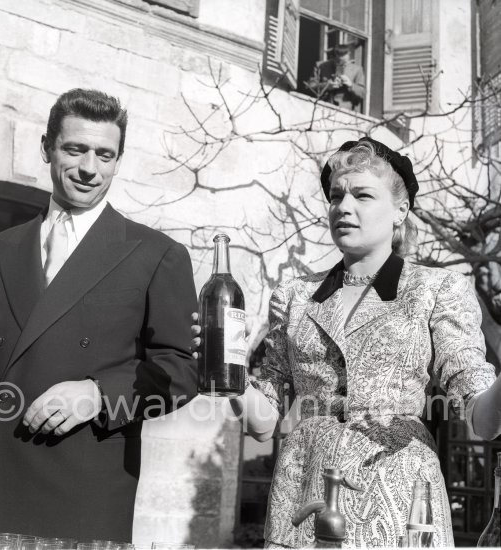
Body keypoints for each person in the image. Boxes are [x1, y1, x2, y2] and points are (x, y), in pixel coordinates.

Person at [192, 136, 501, 547]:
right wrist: (228, 371)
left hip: (398, 497)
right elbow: (263, 424)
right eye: (336, 196)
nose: (344, 207)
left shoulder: (438, 288)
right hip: (303, 495)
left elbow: (483, 420)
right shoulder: (295, 295)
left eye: (362, 195)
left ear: (400, 210)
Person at [0, 89, 198, 539]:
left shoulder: (157, 255)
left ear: (119, 160)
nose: (90, 168)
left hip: (87, 486)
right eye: (75, 149)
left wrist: (99, 395)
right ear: (46, 147)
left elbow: (181, 372)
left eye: (105, 155)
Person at [305, 44, 365, 111]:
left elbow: (362, 94)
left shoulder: (357, 69)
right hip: (321, 107)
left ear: (349, 55)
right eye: (337, 61)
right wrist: (326, 86)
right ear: (333, 57)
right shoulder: (321, 66)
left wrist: (351, 85)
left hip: (346, 111)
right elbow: (309, 87)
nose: (340, 64)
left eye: (344, 62)